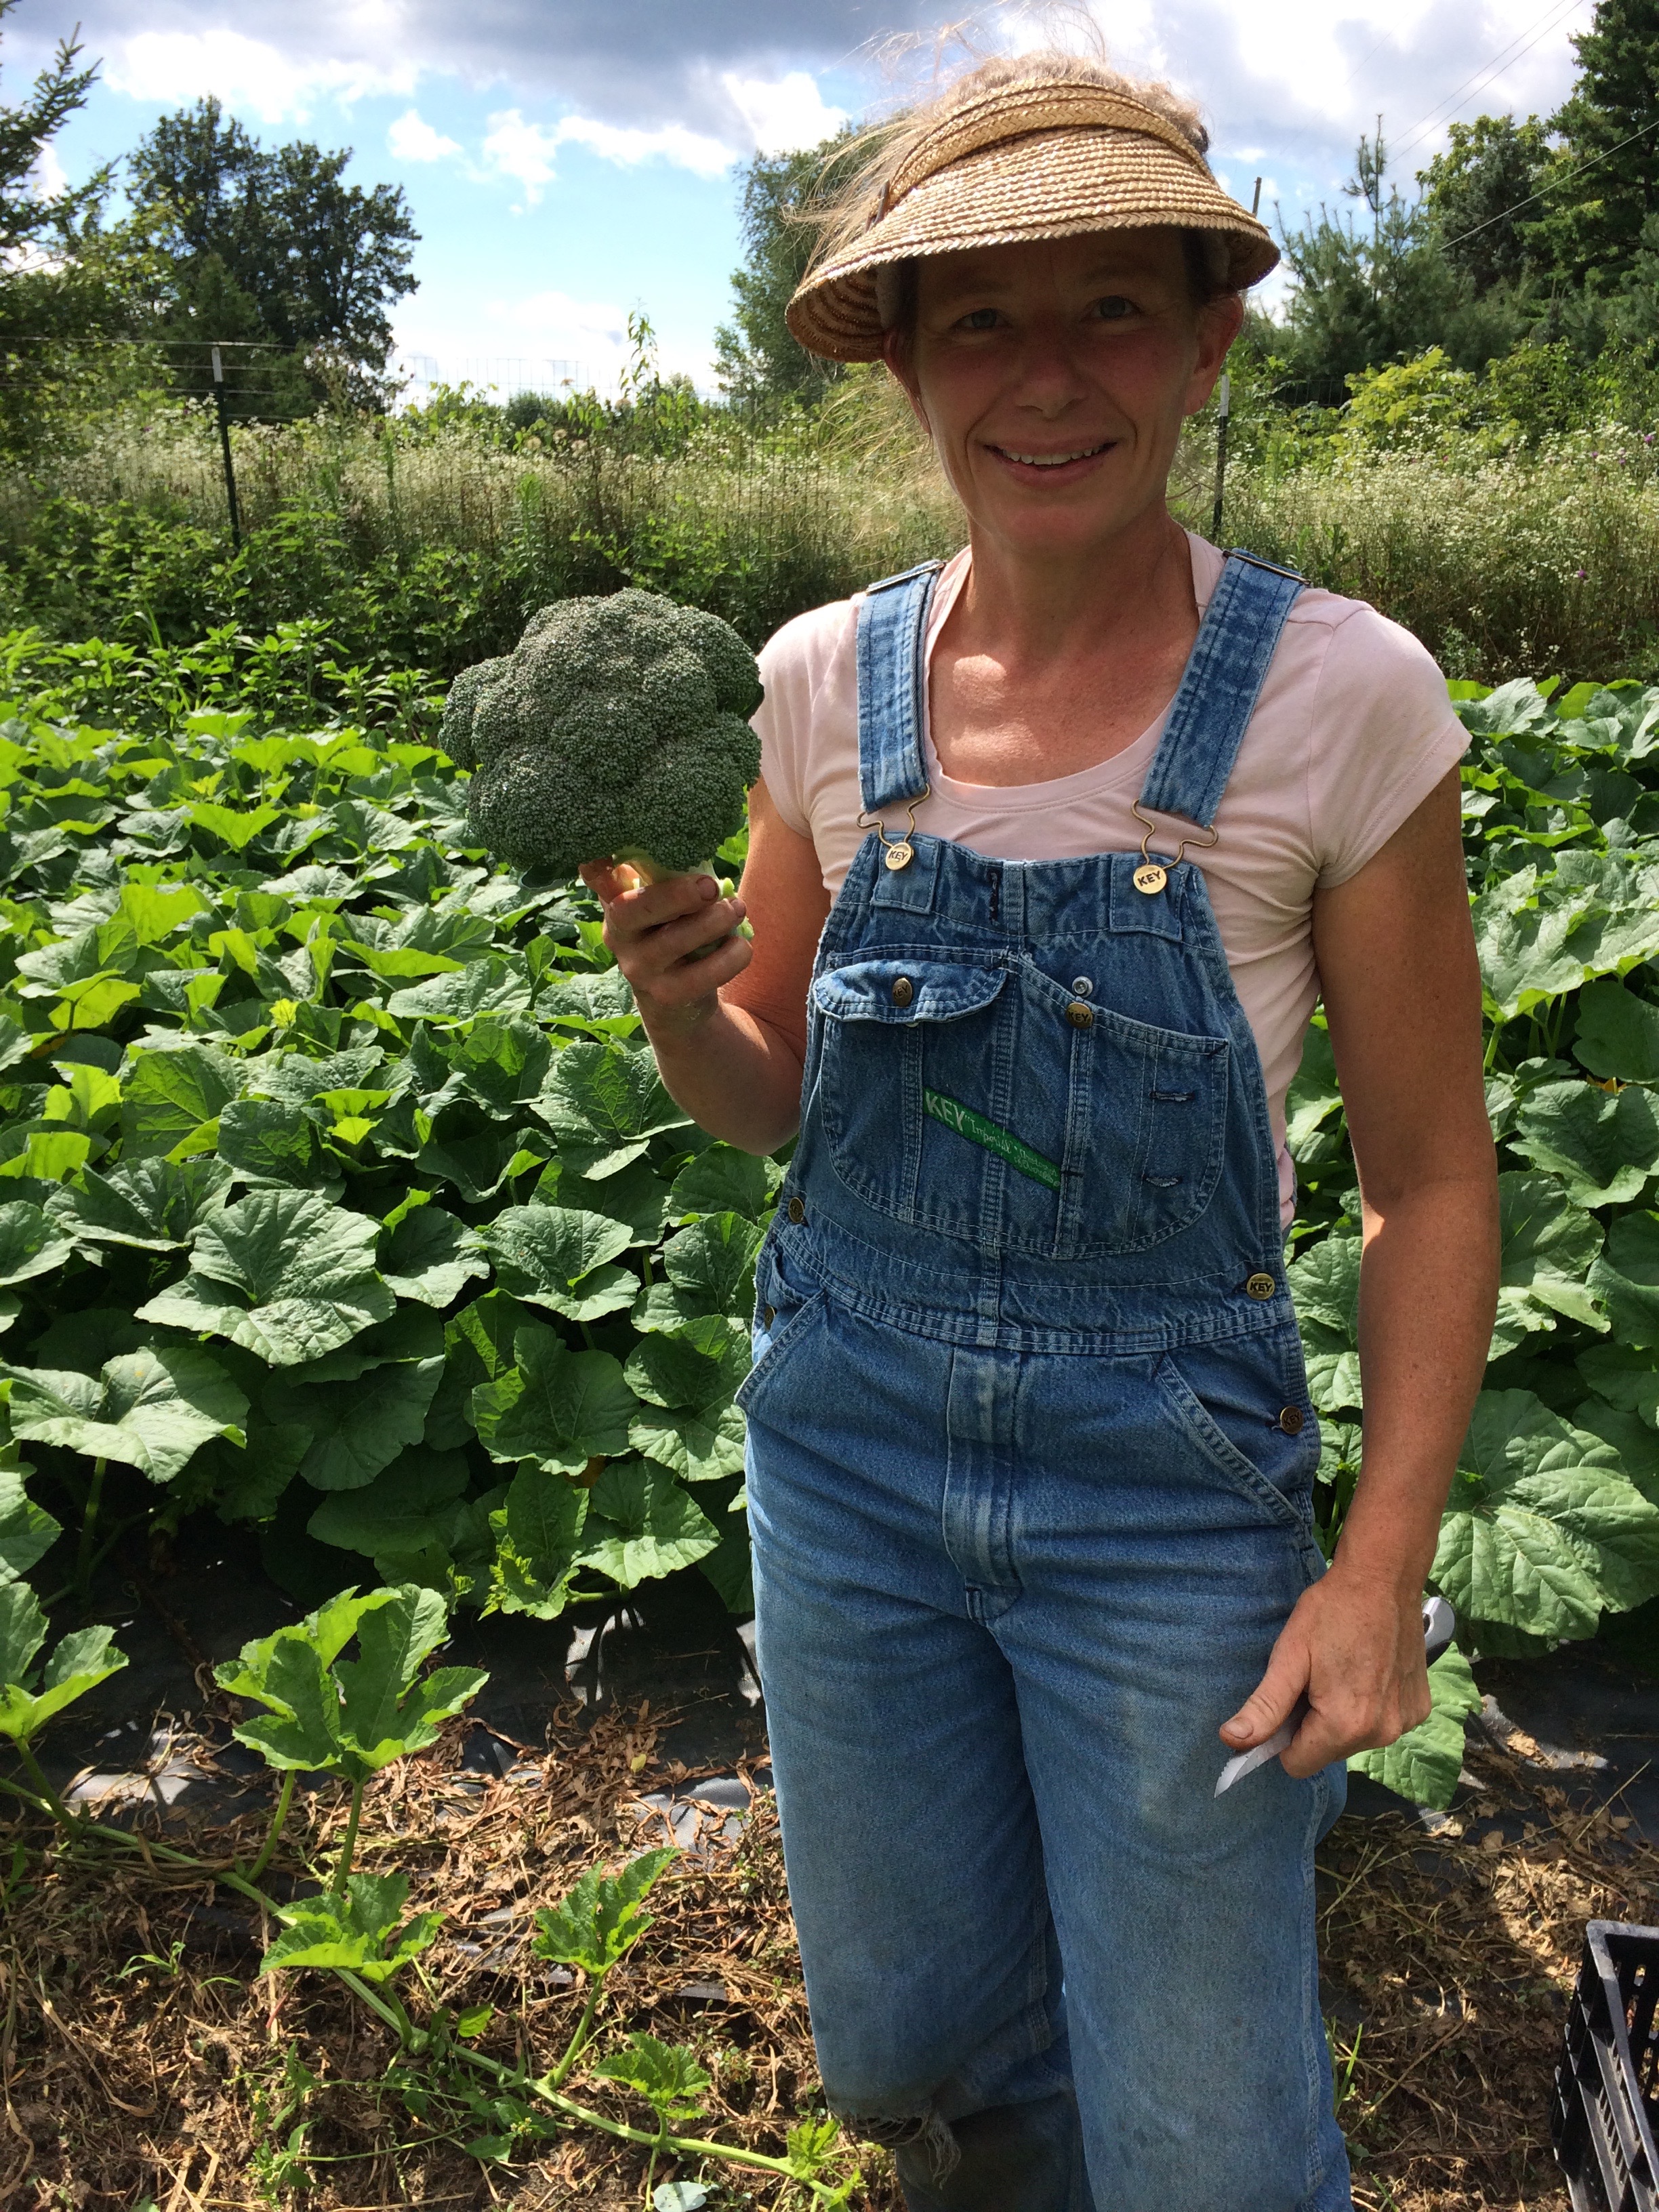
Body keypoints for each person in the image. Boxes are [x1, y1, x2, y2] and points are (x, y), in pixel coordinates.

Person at [582, 51, 1498, 2212]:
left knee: (1202, 2142)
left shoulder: (1345, 697)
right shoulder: (822, 684)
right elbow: (769, 1101)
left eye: (1112, 311)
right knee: (921, 2052)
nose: (1049, 377)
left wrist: (1381, 1569)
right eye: (982, 320)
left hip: (1163, 1490)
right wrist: (682, 1005)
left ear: (1206, 341)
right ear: (905, 365)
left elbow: (1433, 1180)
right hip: (847, 1456)